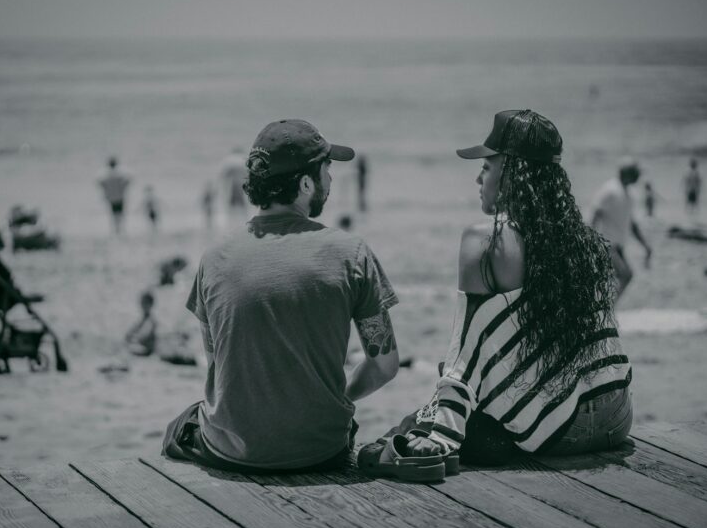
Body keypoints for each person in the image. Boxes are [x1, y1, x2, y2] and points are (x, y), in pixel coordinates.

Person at [358, 110, 632, 479]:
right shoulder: (578, 241)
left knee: (442, 418)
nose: (478, 177)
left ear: (512, 174)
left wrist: (441, 433)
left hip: (563, 433)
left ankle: (407, 431)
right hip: (617, 417)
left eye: (487, 168)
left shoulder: (484, 240)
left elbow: (465, 346)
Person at [163, 119, 401, 473]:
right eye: (327, 170)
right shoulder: (352, 253)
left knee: (176, 431)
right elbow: (385, 365)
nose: (331, 180)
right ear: (306, 183)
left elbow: (218, 365)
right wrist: (332, 398)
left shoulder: (214, 257)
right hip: (322, 449)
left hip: (234, 452)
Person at [591, 163, 652, 300]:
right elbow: (595, 214)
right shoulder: (610, 190)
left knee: (617, 277)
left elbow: (632, 224)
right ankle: (606, 310)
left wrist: (645, 245)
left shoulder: (629, 194)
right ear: (627, 173)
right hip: (606, 244)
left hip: (618, 246)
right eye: (635, 172)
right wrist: (591, 241)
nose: (638, 176)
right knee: (625, 275)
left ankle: (605, 311)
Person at [98, 156, 131, 235]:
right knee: (120, 214)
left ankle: (116, 230)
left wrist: (106, 191)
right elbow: (128, 181)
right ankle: (121, 229)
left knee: (113, 214)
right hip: (120, 196)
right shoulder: (120, 174)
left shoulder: (106, 175)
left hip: (111, 197)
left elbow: (100, 183)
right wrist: (123, 189)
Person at [125, 290, 157, 357]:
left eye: (146, 303)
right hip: (140, 345)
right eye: (142, 302)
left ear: (151, 304)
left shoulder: (150, 320)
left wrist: (133, 338)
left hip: (146, 349)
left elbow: (144, 335)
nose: (143, 305)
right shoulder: (142, 319)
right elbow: (131, 331)